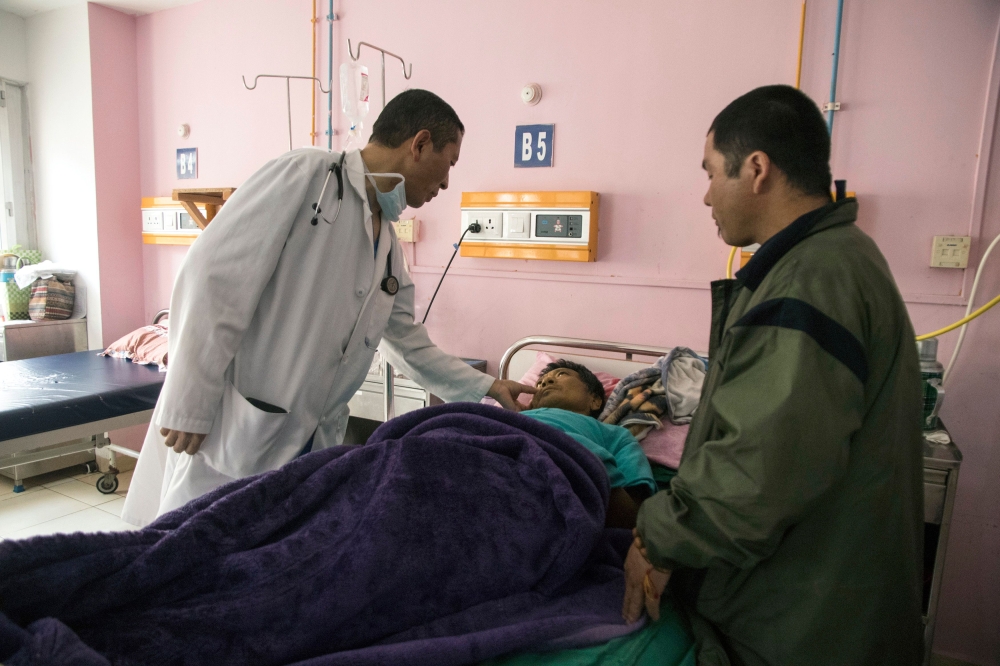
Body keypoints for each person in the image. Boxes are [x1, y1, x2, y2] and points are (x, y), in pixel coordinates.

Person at [122, 89, 533, 526]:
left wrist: (487, 387)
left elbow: (407, 345)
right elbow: (212, 278)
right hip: (240, 430)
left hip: (310, 443)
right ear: (420, 143)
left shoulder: (389, 247)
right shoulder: (307, 176)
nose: (447, 183)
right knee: (191, 547)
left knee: (268, 562)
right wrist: (190, 400)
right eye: (449, 162)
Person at [621, 85, 924, 666]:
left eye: (711, 173)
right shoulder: (837, 257)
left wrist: (658, 536)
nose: (707, 195)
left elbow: (758, 467)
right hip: (818, 598)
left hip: (800, 621)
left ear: (757, 169)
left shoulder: (811, 279)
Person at [521, 359, 657, 528]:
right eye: (539, 383)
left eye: (562, 374)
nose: (545, 382)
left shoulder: (613, 434)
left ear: (595, 400)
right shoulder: (513, 417)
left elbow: (634, 507)